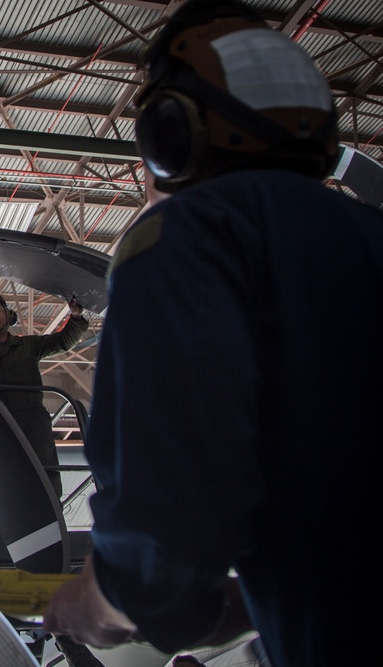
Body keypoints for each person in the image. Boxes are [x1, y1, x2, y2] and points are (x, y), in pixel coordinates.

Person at [43, 2, 381, 665]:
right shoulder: (369, 237)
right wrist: (248, 603)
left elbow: (163, 535)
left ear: (170, 134)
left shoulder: (186, 237)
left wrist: (103, 598)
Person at [0, 292, 88, 497]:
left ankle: (50, 506)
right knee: (3, 479)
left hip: (33, 420)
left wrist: (75, 317)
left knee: (44, 473)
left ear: (8, 315)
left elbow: (63, 342)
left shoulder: (29, 346)